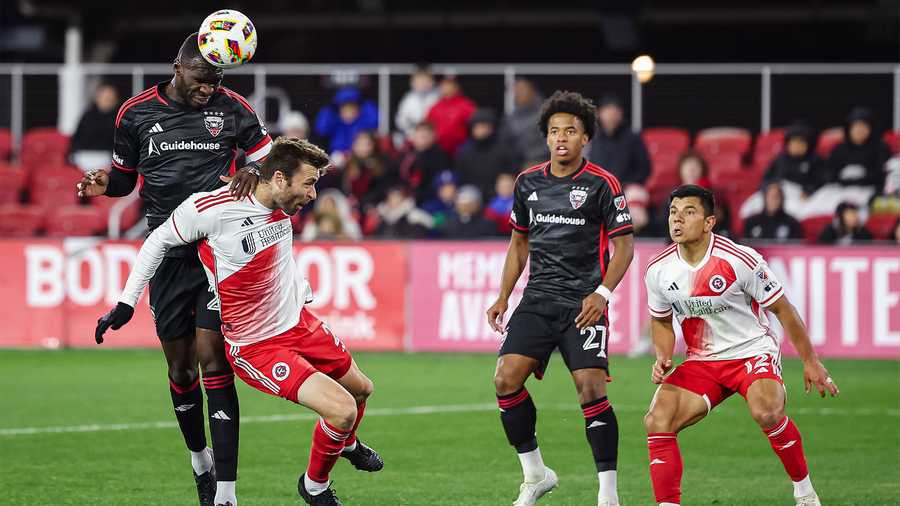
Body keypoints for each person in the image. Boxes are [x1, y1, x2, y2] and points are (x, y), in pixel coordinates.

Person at [95, 138, 383, 506]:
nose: (312, 195)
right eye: (308, 183)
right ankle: (314, 486)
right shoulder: (211, 208)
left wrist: (248, 167)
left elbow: (265, 147)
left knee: (362, 390)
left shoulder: (279, 198)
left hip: (298, 322)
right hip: (257, 345)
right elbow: (158, 241)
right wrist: (126, 302)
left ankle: (347, 444)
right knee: (342, 410)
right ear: (279, 179)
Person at [76, 33, 268, 506]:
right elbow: (124, 179)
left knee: (213, 359)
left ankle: (226, 492)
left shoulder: (234, 108)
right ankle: (199, 459)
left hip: (218, 253)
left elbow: (272, 160)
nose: (210, 88)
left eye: (218, 79)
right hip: (167, 252)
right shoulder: (136, 113)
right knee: (182, 371)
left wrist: (255, 173)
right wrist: (104, 185)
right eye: (203, 79)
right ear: (178, 67)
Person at [643, 184, 839, 506]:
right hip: (703, 361)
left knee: (766, 412)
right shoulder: (658, 270)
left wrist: (810, 360)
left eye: (689, 212)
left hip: (751, 351)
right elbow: (661, 320)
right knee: (657, 420)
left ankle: (804, 492)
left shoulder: (739, 259)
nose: (677, 220)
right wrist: (663, 355)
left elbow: (782, 309)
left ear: (709, 222)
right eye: (673, 212)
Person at [486, 91, 635, 506]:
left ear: (585, 137)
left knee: (590, 390)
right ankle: (536, 475)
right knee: (505, 379)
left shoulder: (603, 184)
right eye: (554, 131)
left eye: (570, 130)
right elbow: (519, 244)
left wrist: (602, 294)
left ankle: (608, 494)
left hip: (584, 304)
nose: (561, 138)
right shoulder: (527, 183)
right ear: (546, 138)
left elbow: (624, 248)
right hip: (537, 299)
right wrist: (503, 295)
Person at [587, 94, 651, 186]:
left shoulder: (633, 137)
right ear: (599, 114)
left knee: (637, 195)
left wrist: (626, 183)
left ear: (621, 114)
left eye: (616, 112)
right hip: (598, 187)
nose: (612, 116)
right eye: (608, 111)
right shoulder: (591, 138)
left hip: (627, 187)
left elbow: (645, 169)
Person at [455, 108, 516, 200]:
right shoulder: (464, 152)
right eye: (477, 127)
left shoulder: (504, 149)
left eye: (484, 126)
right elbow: (460, 177)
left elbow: (511, 173)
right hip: (471, 197)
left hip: (499, 197)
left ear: (492, 128)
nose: (481, 131)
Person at [826, 107, 890, 189]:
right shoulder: (839, 149)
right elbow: (830, 173)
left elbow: (881, 175)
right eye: (855, 126)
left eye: (863, 126)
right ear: (849, 129)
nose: (859, 130)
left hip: (868, 189)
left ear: (871, 129)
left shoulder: (880, 148)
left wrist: (861, 176)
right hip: (841, 188)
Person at [761, 121, 826, 199]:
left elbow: (821, 181)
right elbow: (766, 179)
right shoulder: (779, 160)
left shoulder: (815, 160)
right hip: (778, 195)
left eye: (801, 142)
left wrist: (809, 190)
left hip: (802, 197)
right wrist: (770, 187)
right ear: (788, 144)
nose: (797, 146)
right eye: (794, 142)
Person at [396, 121, 452, 204]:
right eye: (420, 134)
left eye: (426, 135)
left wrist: (415, 196)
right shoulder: (406, 154)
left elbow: (438, 184)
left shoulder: (440, 156)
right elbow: (396, 176)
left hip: (428, 199)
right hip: (404, 196)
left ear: (434, 136)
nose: (423, 137)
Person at [68, 83, 120, 172]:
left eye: (110, 98)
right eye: (104, 97)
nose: (107, 100)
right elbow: (77, 139)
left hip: (107, 157)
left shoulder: (119, 118)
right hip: (83, 156)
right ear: (97, 98)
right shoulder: (88, 116)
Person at [314, 86, 379, 156]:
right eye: (345, 109)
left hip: (360, 157)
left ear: (358, 109)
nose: (349, 113)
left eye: (352, 109)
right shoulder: (335, 121)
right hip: (339, 157)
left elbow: (374, 120)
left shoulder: (365, 123)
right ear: (339, 111)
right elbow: (321, 129)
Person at [501, 78, 548, 166]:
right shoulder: (511, 117)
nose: (518, 94)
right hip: (516, 165)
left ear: (532, 92)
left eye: (522, 90)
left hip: (542, 162)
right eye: (516, 91)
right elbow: (505, 143)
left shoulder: (546, 114)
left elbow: (551, 144)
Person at [426, 76, 476, 156]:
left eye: (449, 85)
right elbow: (428, 127)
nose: (446, 88)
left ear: (456, 87)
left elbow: (475, 126)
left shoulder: (466, 105)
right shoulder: (435, 107)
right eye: (443, 85)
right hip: (439, 149)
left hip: (460, 149)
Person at [394, 64, 440, 140]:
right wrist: (413, 133)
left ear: (431, 82)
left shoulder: (438, 96)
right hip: (412, 134)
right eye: (419, 81)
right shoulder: (409, 98)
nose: (422, 84)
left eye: (425, 81)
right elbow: (401, 120)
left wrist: (429, 132)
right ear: (413, 83)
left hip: (433, 134)